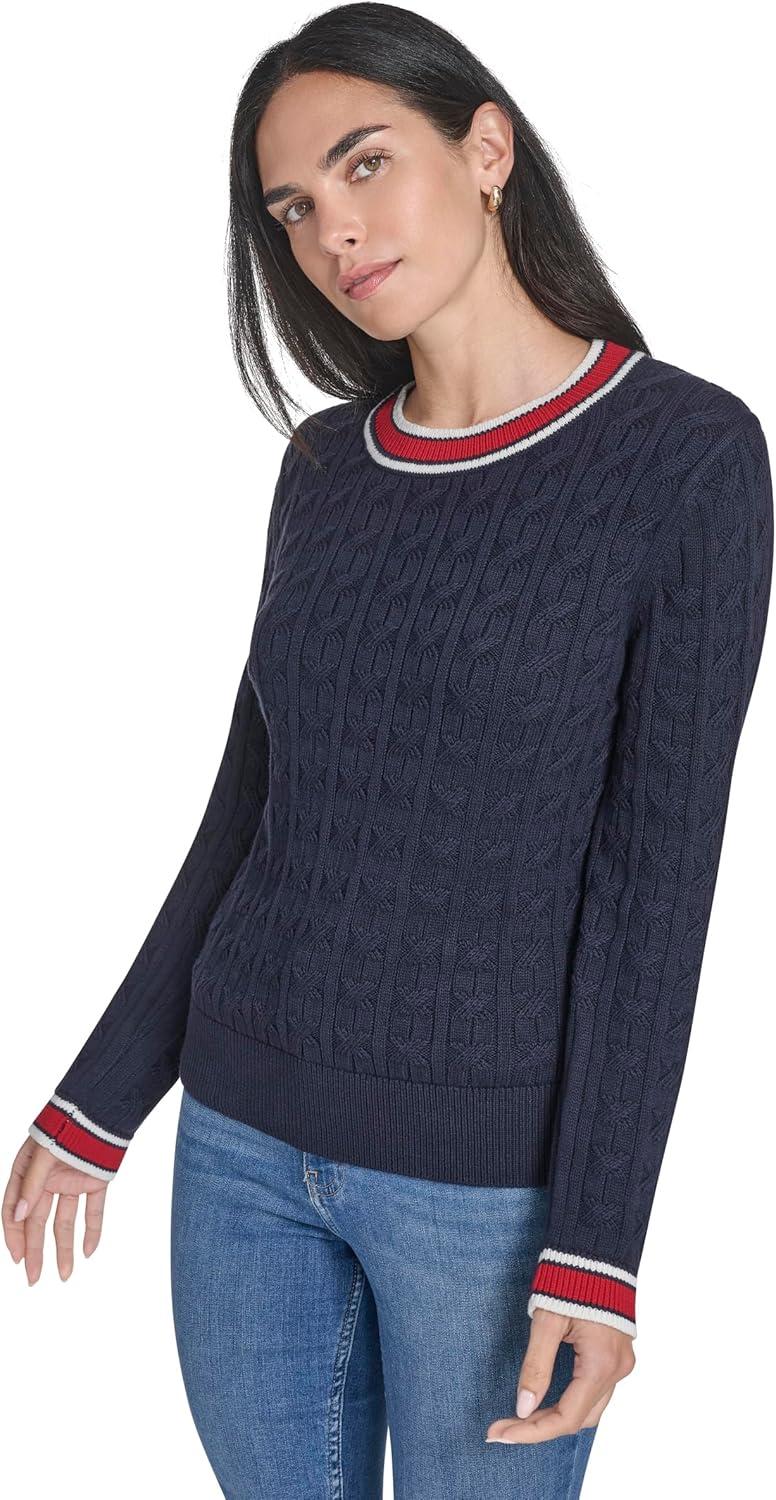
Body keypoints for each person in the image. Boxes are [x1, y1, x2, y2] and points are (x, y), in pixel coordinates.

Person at [4, 5, 773, 1496]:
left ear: (486, 148)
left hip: (486, 1197)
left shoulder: (685, 458)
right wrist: (102, 1096)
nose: (333, 232)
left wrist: (600, 1250)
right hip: (238, 1155)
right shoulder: (326, 466)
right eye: (293, 207)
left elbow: (653, 894)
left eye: (365, 165)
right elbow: (251, 815)